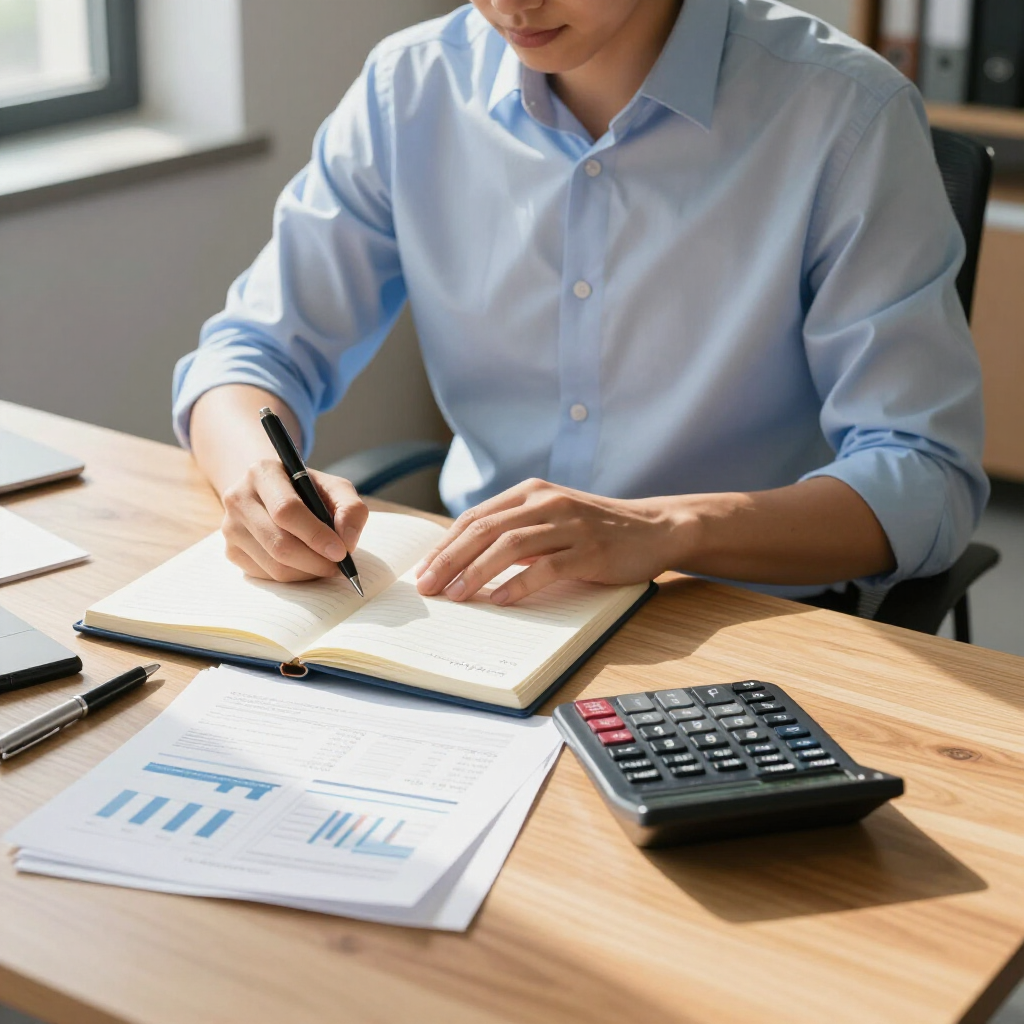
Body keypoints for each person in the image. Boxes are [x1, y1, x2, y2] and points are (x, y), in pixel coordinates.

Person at [173, 0, 987, 610]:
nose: (512, 4)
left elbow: (924, 475)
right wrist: (259, 482)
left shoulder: (845, 116)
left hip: (743, 620)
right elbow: (251, 351)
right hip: (481, 614)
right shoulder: (410, 87)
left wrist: (669, 529)